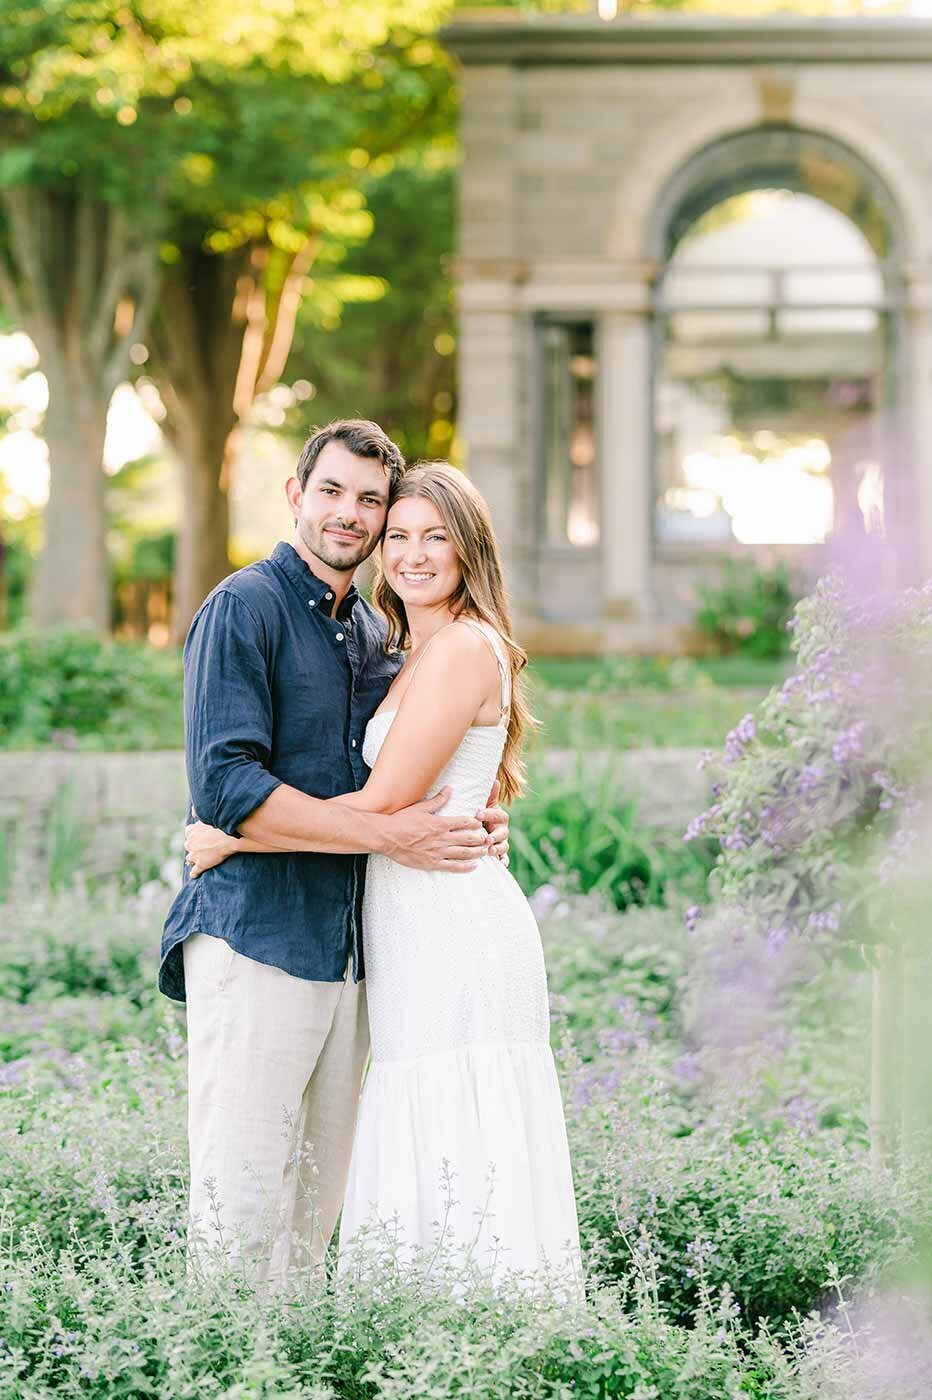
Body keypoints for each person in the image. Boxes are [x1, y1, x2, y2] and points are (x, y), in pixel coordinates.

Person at [185, 463, 582, 1293]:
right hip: (388, 919)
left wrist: (234, 840)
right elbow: (383, 803)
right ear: (293, 494)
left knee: (449, 1127)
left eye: (434, 535)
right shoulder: (387, 642)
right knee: (397, 1137)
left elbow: (386, 801)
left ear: (472, 550)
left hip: (443, 922)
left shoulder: (449, 648)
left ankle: (483, 1338)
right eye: (399, 534)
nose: (409, 552)